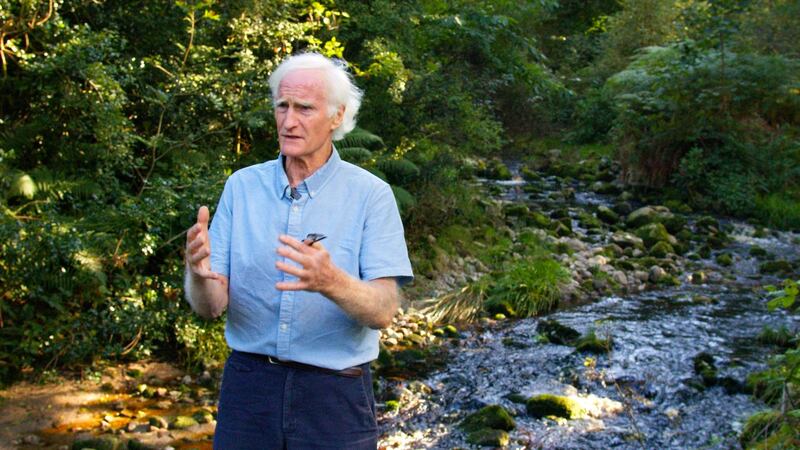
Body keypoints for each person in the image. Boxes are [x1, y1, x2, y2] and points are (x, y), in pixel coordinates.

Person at [183, 52, 413, 449]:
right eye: (282, 106)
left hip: (335, 394)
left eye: (304, 108)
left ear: (337, 116)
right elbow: (211, 306)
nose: (288, 121)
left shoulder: (371, 196)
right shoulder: (241, 187)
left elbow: (384, 310)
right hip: (249, 389)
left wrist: (331, 281)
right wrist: (197, 273)